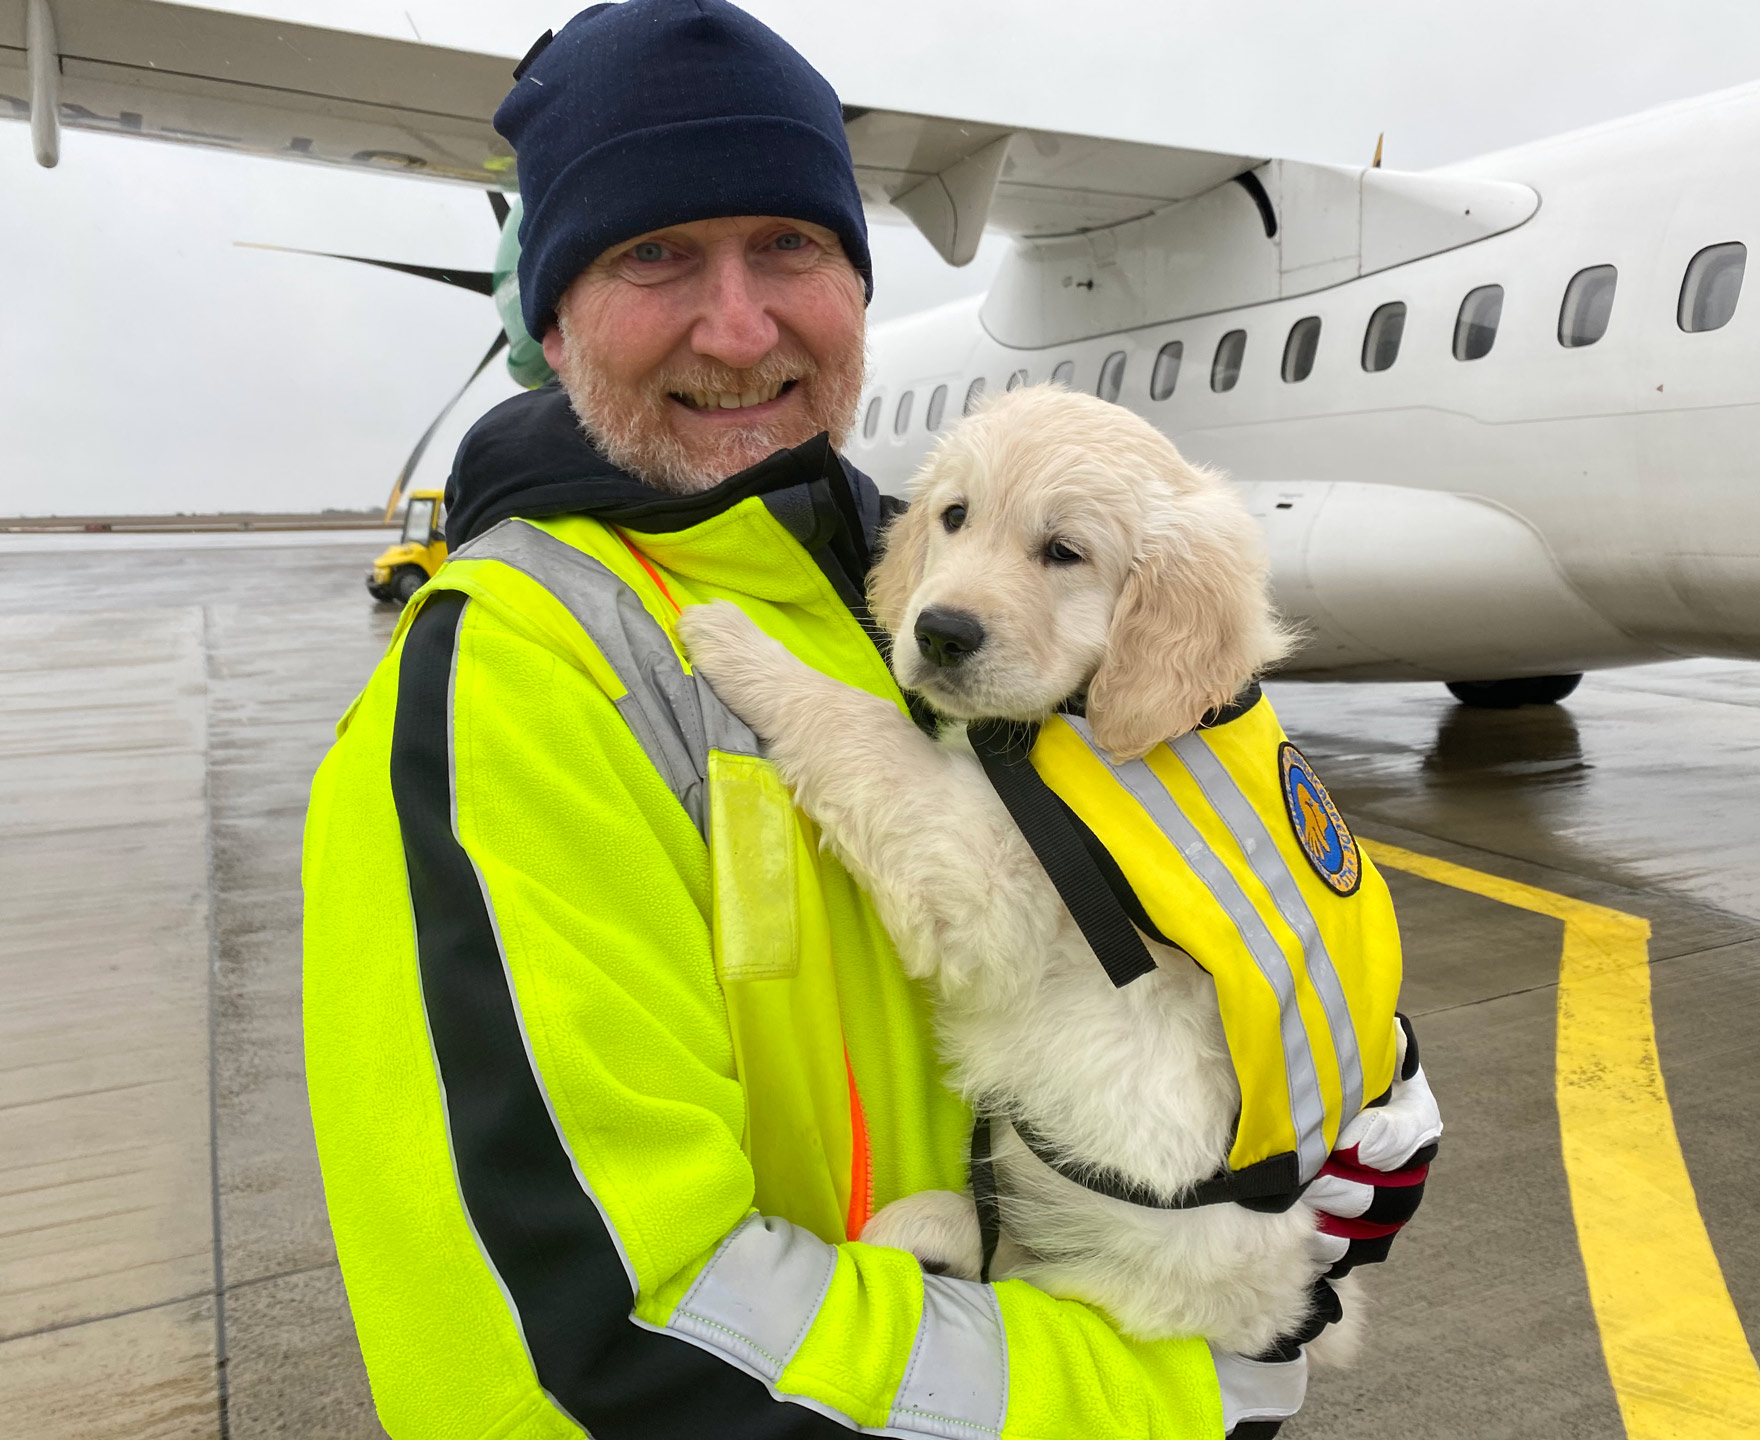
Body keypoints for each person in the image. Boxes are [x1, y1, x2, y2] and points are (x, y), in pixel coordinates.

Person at [302, 3, 1436, 1436]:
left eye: (789, 245)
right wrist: (1174, 1396)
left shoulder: (898, 586)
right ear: (553, 312)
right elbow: (596, 1355)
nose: (738, 323)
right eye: (654, 253)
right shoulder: (509, 677)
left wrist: (1351, 1099)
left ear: (854, 280)